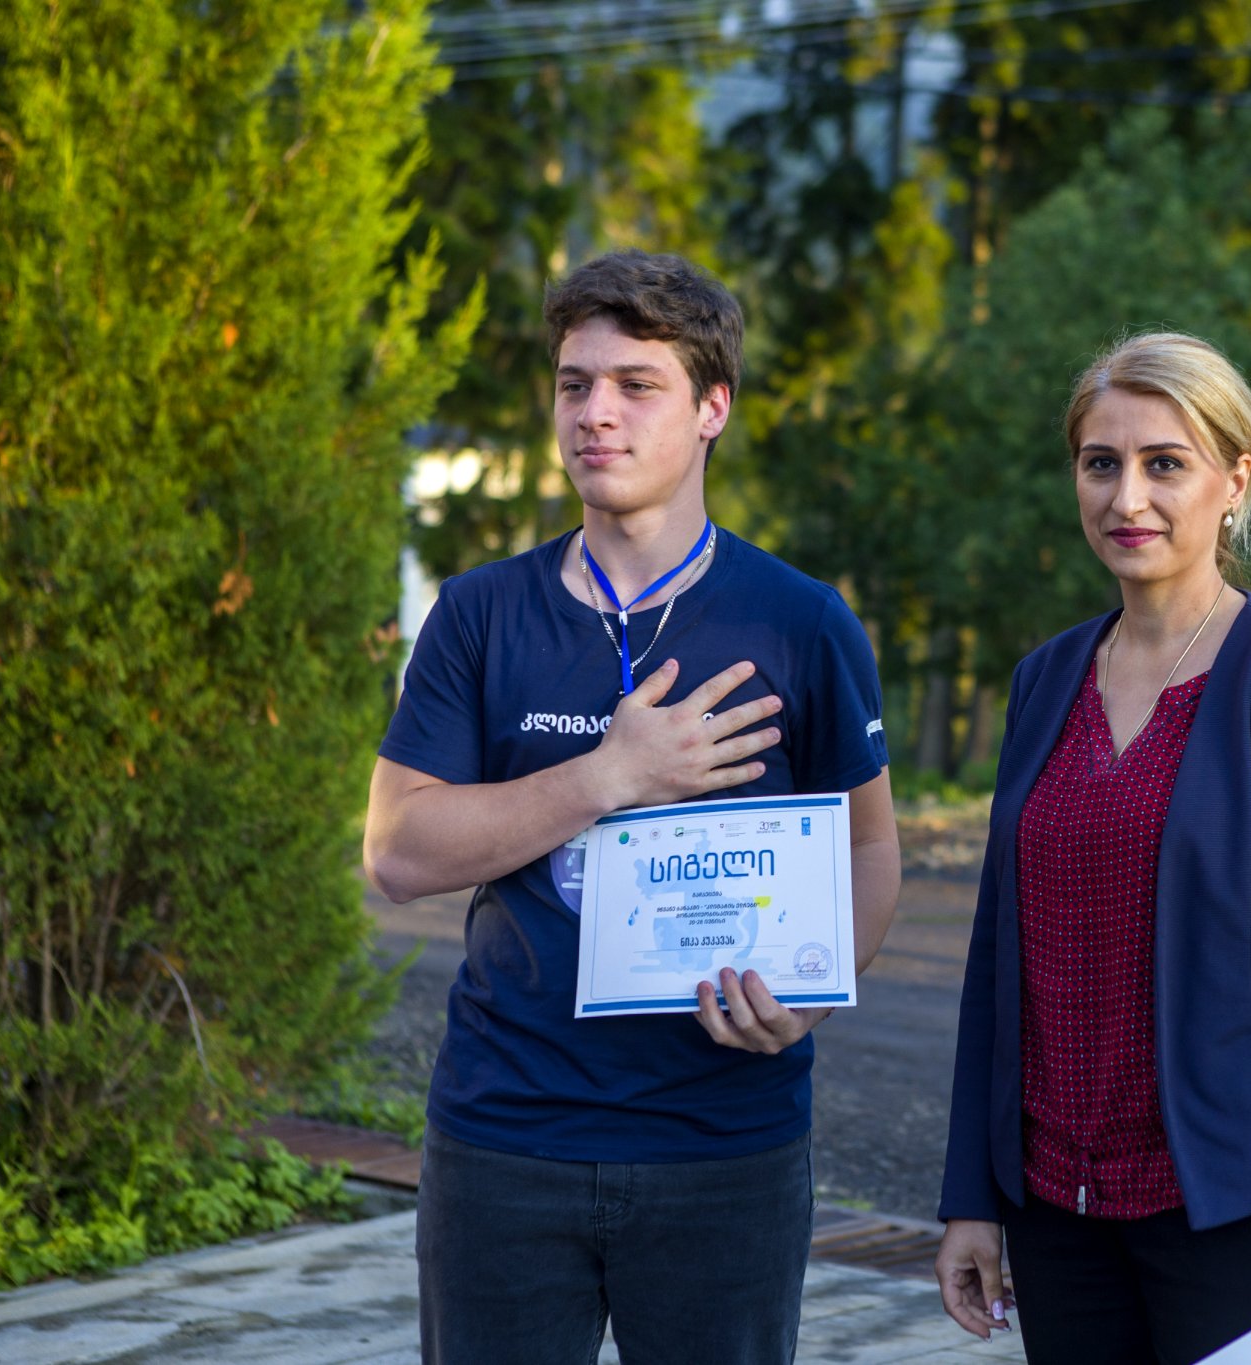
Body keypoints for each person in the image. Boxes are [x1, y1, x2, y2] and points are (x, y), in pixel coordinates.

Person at [363, 249, 901, 1365]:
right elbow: (399, 852)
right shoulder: (479, 613)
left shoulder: (799, 621)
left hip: (725, 1143)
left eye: (635, 386)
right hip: (506, 1138)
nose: (594, 413)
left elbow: (867, 842)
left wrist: (809, 1000)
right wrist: (609, 776)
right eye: (575, 384)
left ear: (712, 408)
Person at [933, 332, 1251, 1365]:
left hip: (1233, 1213)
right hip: (1056, 1217)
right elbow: (996, 963)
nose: (1127, 498)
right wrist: (972, 1194)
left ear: (1233, 479)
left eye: (1165, 464)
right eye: (1100, 463)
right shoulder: (1044, 680)